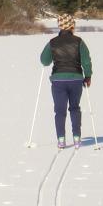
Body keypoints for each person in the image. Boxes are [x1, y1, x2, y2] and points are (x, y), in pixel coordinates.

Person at [39, 14, 93, 149]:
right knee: (75, 108)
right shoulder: (79, 41)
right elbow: (86, 61)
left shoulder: (52, 42)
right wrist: (88, 76)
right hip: (76, 79)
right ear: (72, 26)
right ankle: (77, 139)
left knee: (60, 110)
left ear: (59, 26)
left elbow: (44, 61)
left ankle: (61, 140)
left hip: (58, 81)